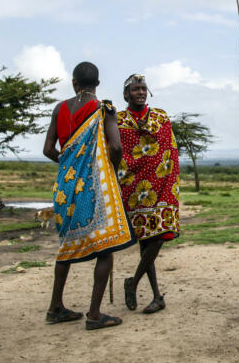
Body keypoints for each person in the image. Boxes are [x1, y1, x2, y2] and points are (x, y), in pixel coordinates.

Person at [42, 62, 135, 330]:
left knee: (66, 246)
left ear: (74, 83)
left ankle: (55, 307)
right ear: (97, 83)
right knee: (105, 247)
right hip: (94, 185)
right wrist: (111, 168)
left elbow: (49, 149)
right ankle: (94, 314)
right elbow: (115, 146)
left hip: (64, 188)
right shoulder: (102, 109)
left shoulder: (59, 108)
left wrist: (69, 163)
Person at [117, 74, 180, 314]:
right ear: (126, 94)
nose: (141, 92)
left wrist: (170, 182)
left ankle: (133, 282)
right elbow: (117, 152)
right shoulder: (118, 120)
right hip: (134, 188)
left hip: (162, 188)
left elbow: (169, 150)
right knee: (147, 242)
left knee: (158, 236)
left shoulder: (161, 117)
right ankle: (156, 296)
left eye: (143, 88)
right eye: (135, 89)